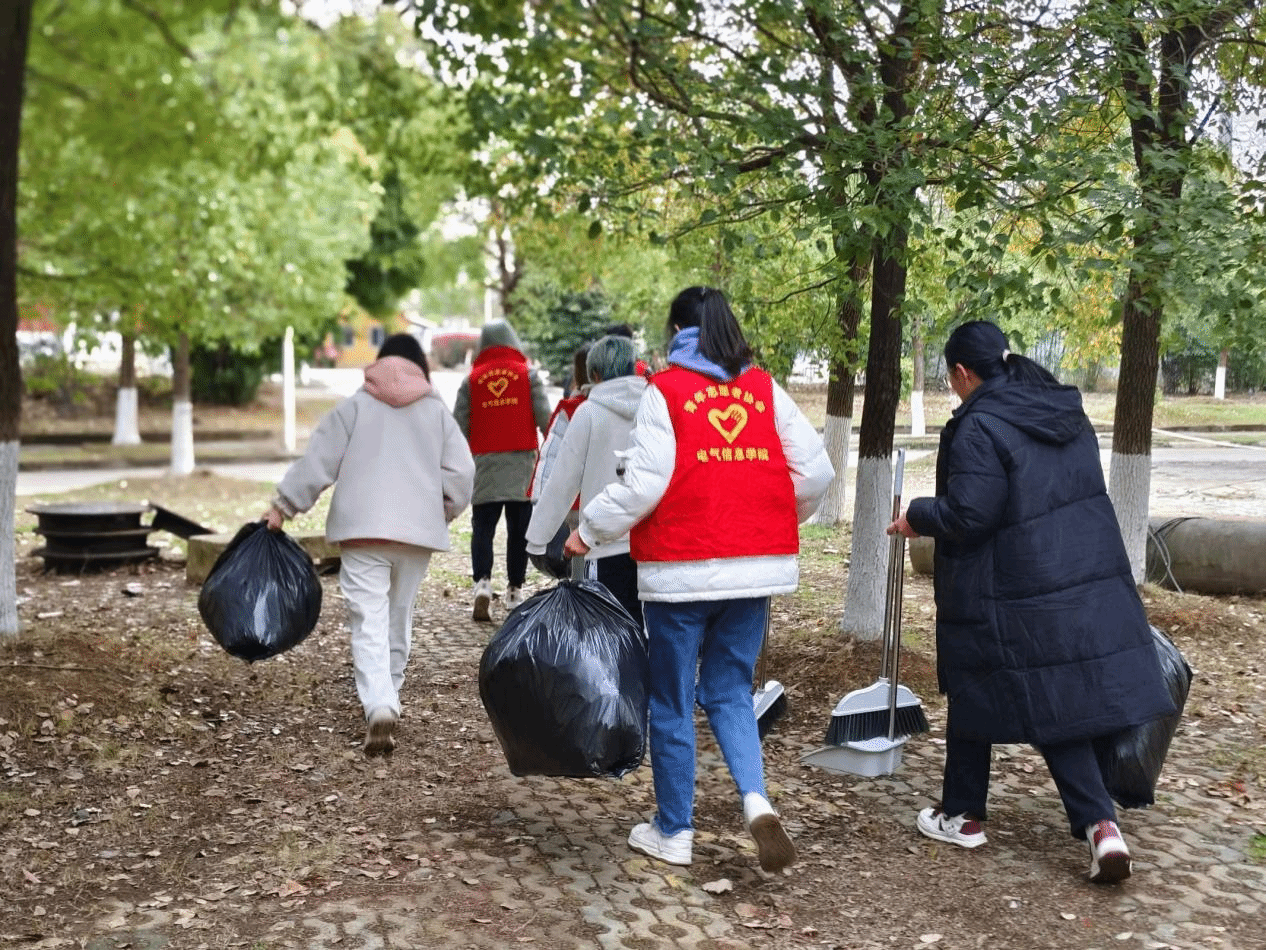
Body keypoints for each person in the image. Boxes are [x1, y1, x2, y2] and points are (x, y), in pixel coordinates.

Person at [886, 319, 1176, 885]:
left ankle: (1075, 823)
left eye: (950, 379)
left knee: (1026, 699)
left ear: (963, 373)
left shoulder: (980, 425)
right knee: (1004, 691)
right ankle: (983, 814)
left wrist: (917, 515)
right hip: (1078, 579)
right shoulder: (1060, 411)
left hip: (1009, 589)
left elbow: (972, 513)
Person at [567, 286, 833, 873]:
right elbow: (816, 472)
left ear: (676, 332)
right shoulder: (764, 389)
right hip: (753, 570)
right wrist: (771, 516)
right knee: (731, 691)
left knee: (671, 700)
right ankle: (756, 799)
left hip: (680, 571)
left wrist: (588, 530)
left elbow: (644, 484)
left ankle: (674, 830)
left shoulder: (665, 391)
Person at [262, 334, 474, 756]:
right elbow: (462, 473)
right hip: (416, 534)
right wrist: (443, 510)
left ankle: (379, 703)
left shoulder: (354, 408)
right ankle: (389, 692)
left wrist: (283, 506)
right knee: (399, 616)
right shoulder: (436, 413)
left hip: (362, 530)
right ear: (420, 366)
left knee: (368, 618)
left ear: (380, 362)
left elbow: (318, 461)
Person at [526, 334, 648, 624]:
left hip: (604, 542)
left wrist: (538, 539)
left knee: (606, 627)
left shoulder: (589, 413)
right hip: (651, 544)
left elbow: (563, 479)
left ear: (594, 374)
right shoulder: (655, 408)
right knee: (645, 626)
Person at [453, 320, 552, 621]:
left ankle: (482, 583)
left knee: (483, 528)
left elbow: (458, 428)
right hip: (521, 465)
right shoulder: (528, 376)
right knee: (518, 530)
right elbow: (546, 419)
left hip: (484, 465)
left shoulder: (471, 381)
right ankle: (514, 591)